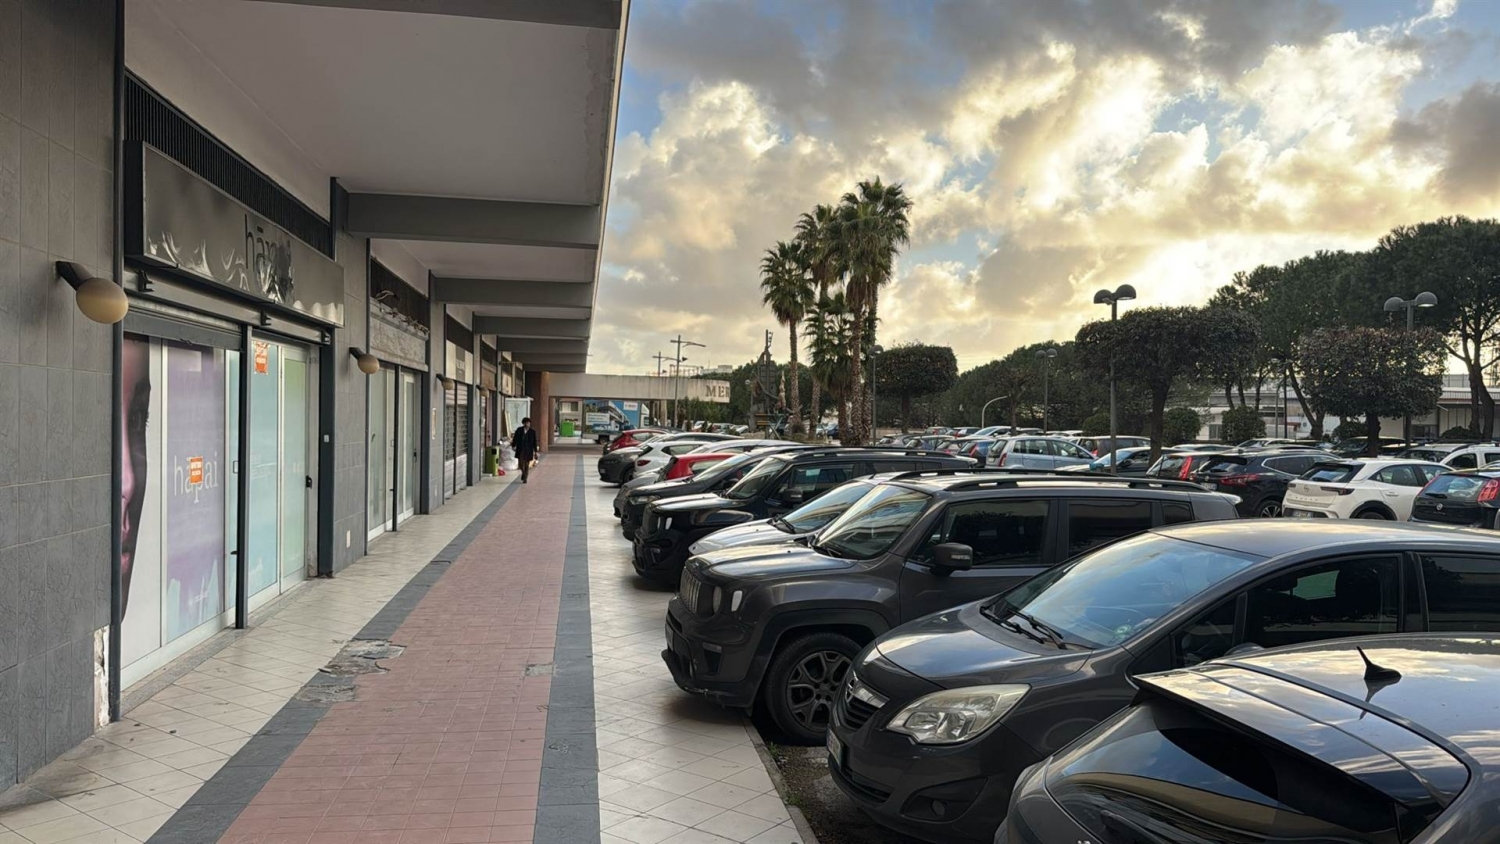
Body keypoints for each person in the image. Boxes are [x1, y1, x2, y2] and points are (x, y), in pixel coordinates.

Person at [512, 417, 540, 483]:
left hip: (528, 450)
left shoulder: (532, 432)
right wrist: (513, 445)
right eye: (526, 423)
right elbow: (515, 438)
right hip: (520, 449)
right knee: (521, 464)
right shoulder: (519, 430)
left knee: (527, 464)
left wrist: (536, 451)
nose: (527, 424)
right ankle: (523, 473)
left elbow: (534, 442)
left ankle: (525, 478)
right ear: (523, 423)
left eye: (528, 423)